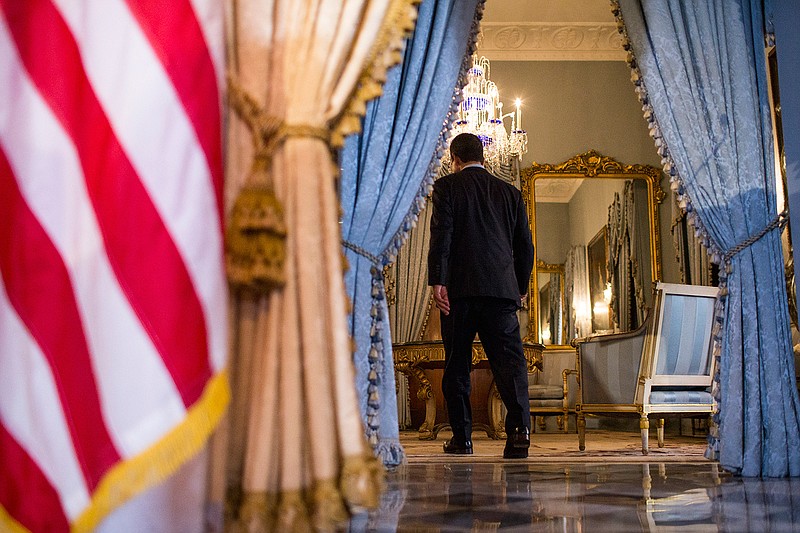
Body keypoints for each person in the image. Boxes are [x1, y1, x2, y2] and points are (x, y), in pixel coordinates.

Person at [428, 132, 534, 459]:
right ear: (484, 158)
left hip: (458, 292)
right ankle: (517, 435)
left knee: (457, 365)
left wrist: (438, 281)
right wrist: (520, 284)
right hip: (501, 292)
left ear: (454, 159)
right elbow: (524, 247)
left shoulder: (446, 187)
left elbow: (442, 236)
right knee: (510, 366)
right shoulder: (510, 193)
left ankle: (462, 438)